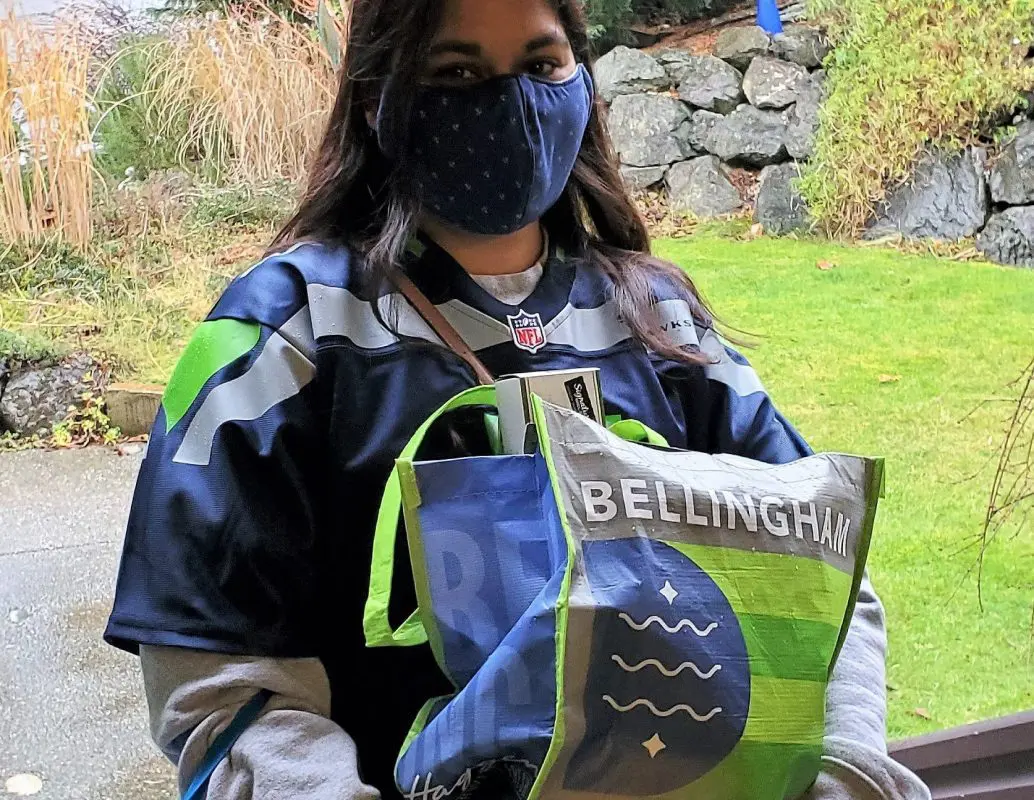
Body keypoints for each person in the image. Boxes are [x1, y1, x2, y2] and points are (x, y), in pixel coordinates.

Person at [103, 1, 931, 798]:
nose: (508, 102)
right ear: (376, 91)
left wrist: (843, 776)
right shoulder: (281, 333)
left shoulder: (663, 322)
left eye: (540, 63)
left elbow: (822, 580)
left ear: (580, 74)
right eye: (456, 70)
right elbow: (220, 675)